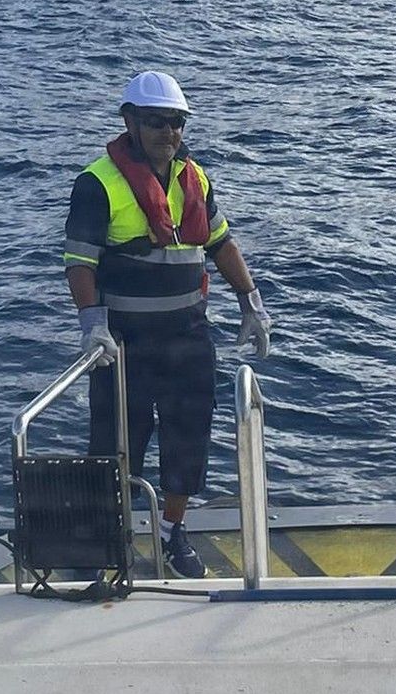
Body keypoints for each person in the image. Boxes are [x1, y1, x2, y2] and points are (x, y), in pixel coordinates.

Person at [63, 72, 272, 579]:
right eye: (155, 121)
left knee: (188, 437)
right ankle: (107, 540)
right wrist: (92, 324)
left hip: (188, 337)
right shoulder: (98, 184)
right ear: (129, 122)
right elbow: (79, 262)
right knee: (116, 443)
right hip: (123, 345)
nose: (167, 132)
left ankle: (170, 532)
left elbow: (220, 243)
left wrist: (251, 301)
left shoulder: (195, 179)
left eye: (175, 122)